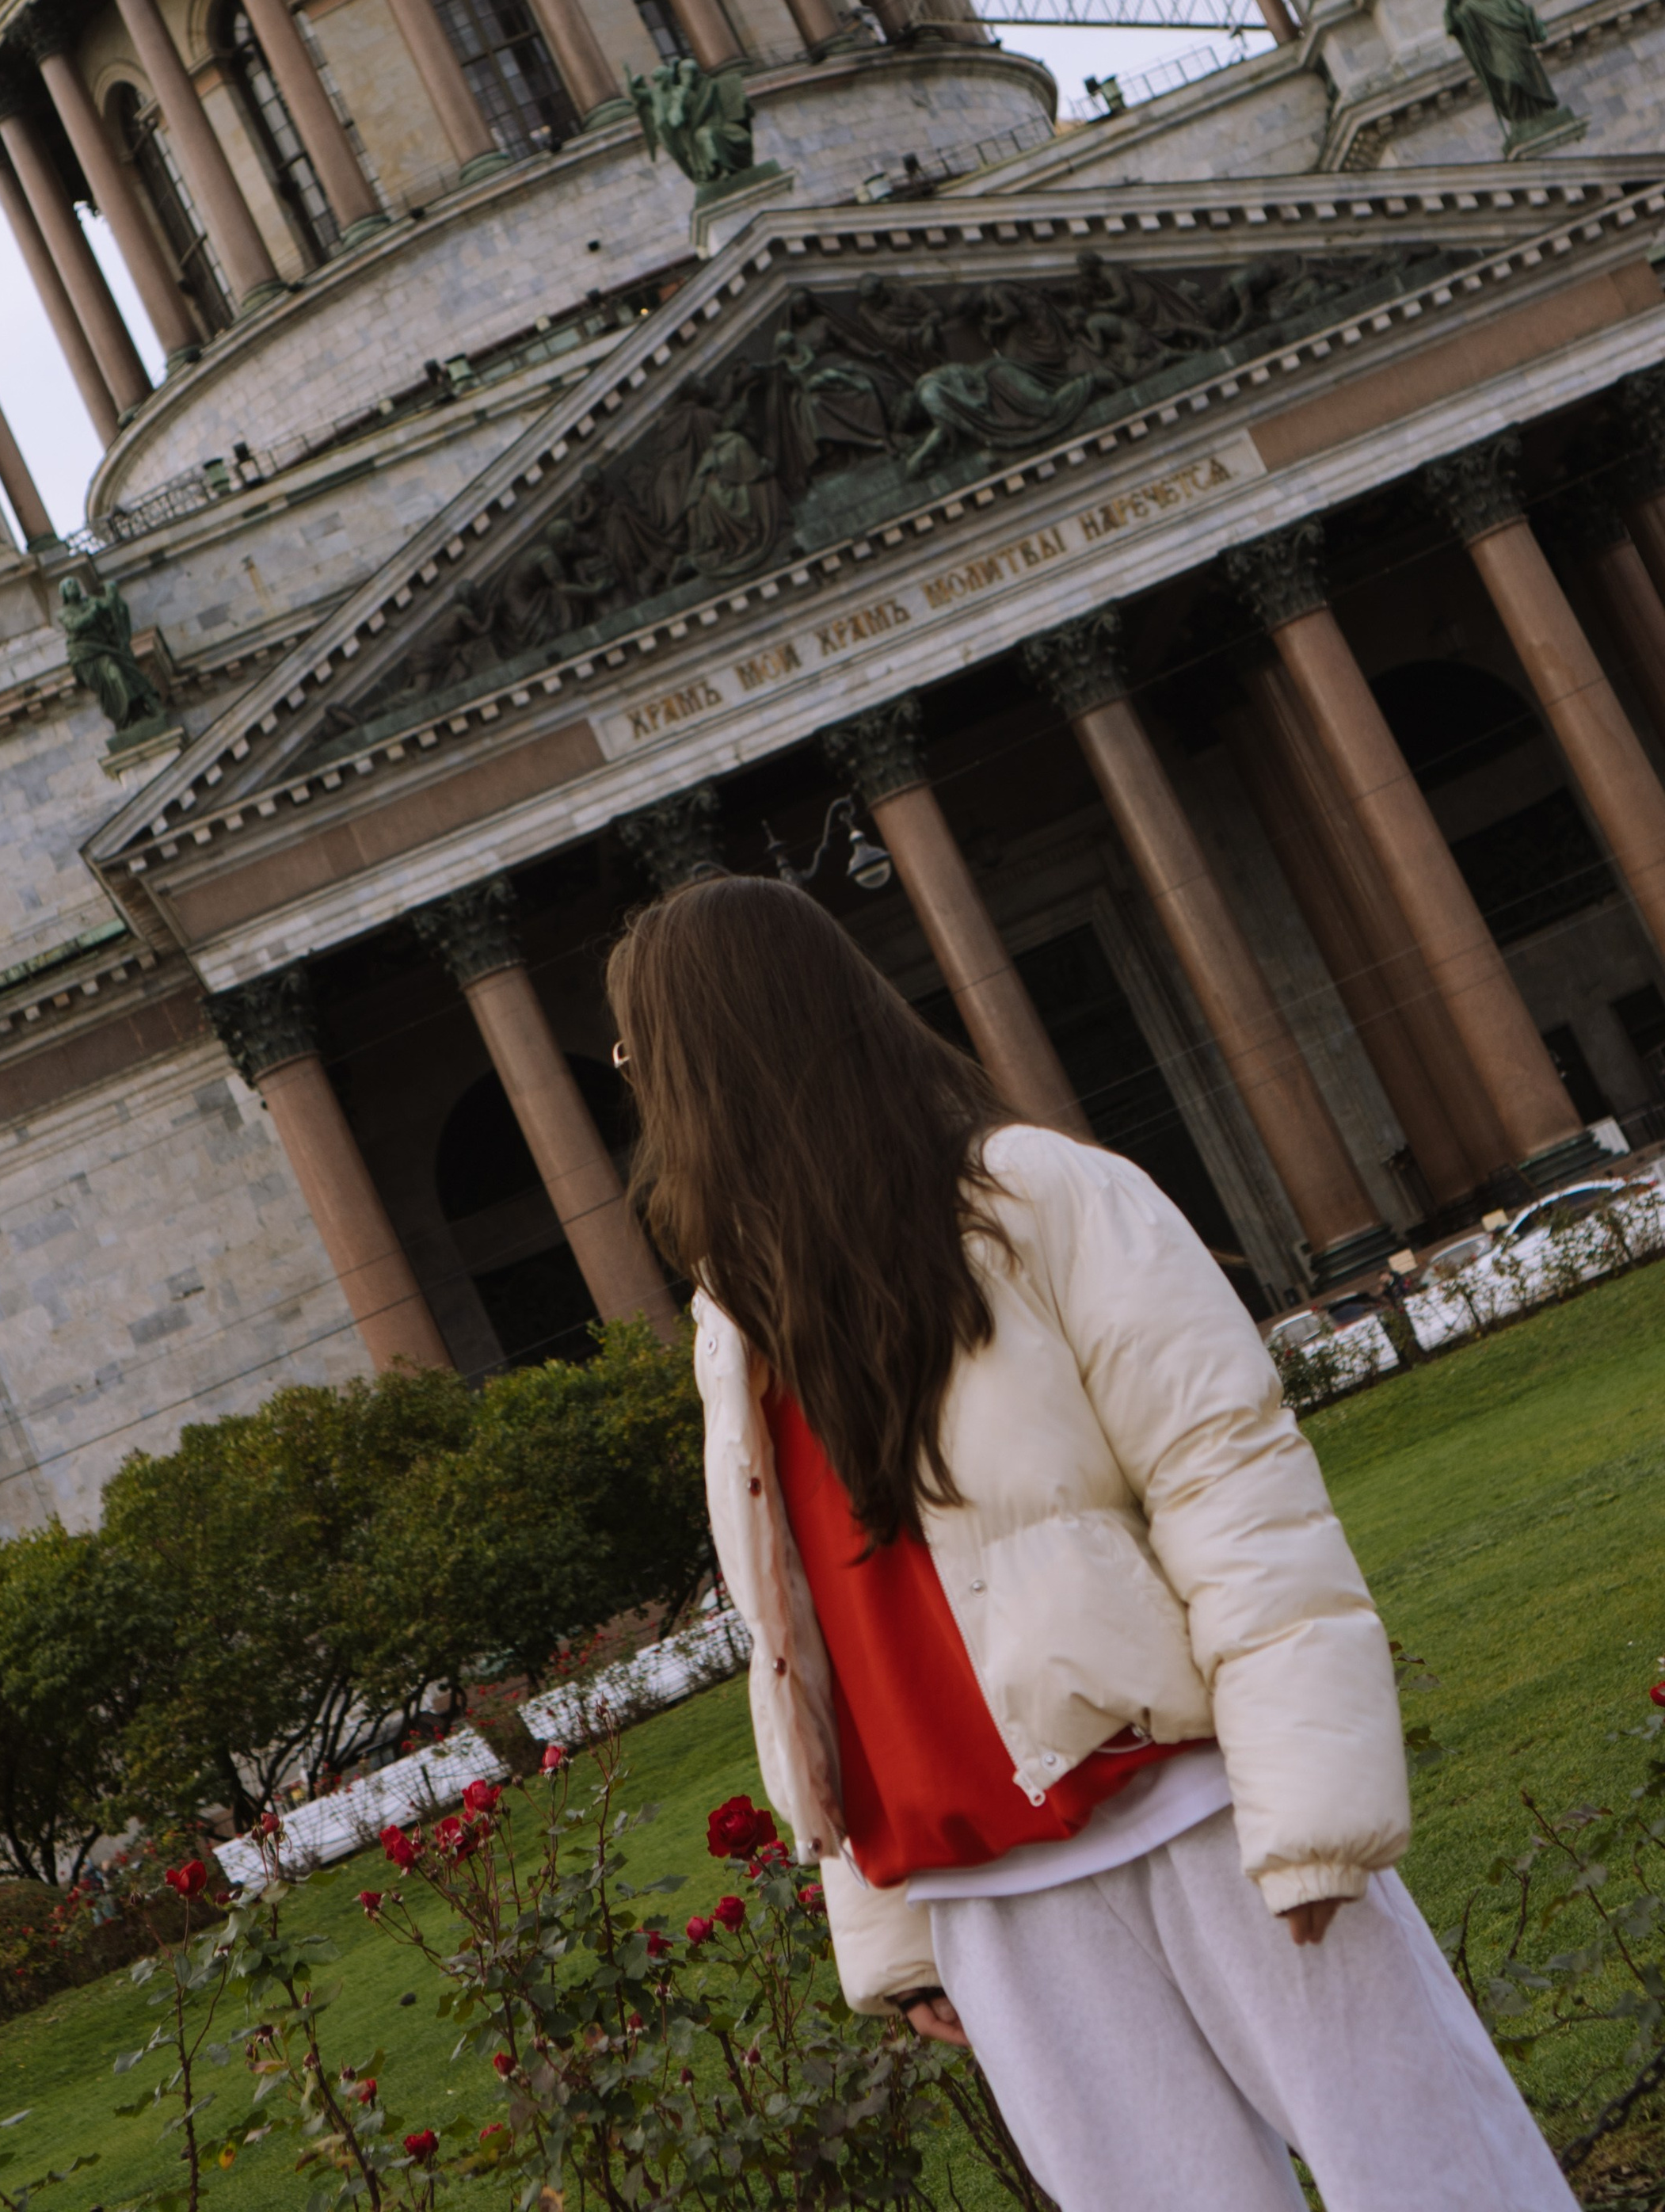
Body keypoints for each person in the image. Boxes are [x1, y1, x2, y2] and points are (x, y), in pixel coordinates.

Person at [604, 876, 1575, 2212]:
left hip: (1192, 1805)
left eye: (636, 1046)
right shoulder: (735, 1317)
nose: (632, 1079)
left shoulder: (1038, 1195)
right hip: (993, 1899)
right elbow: (810, 1645)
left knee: (1432, 2171)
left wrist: (1310, 1814)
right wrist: (890, 1931)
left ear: (722, 1041)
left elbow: (1226, 1479)